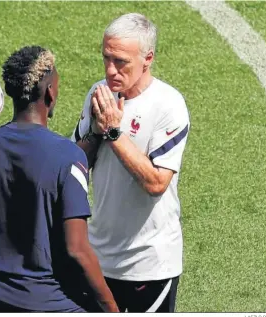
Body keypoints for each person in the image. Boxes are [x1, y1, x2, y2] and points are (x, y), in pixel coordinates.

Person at [0, 45, 118, 313]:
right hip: (53, 304)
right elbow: (77, 250)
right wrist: (111, 309)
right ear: (50, 90)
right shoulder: (67, 157)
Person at [71, 13, 190, 312]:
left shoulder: (168, 105)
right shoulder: (98, 95)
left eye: (121, 61)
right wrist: (96, 134)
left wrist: (113, 131)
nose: (111, 70)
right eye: (106, 58)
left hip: (149, 264)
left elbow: (155, 182)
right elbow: (74, 168)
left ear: (147, 58)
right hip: (98, 258)